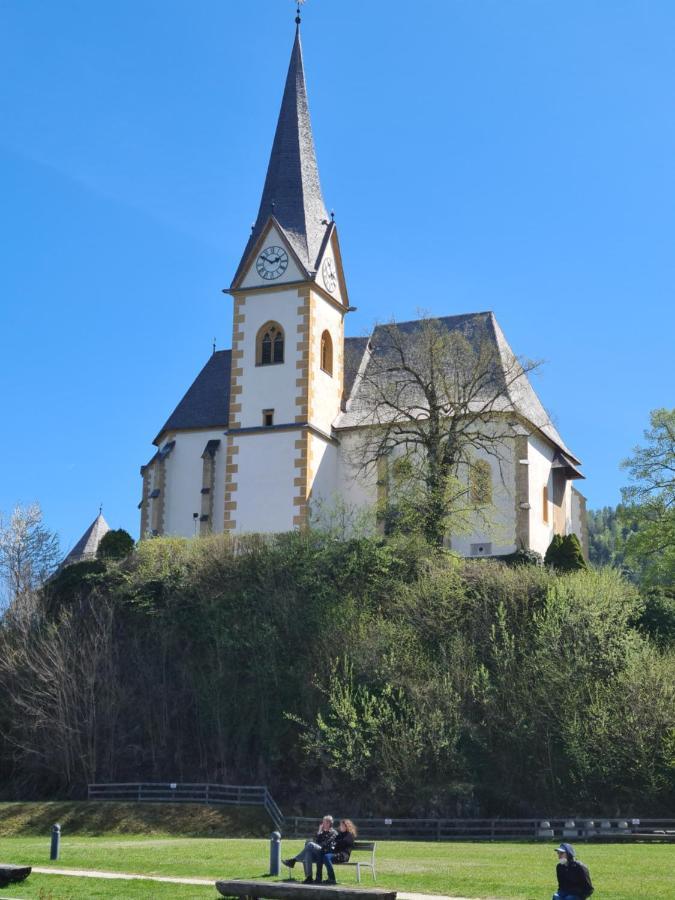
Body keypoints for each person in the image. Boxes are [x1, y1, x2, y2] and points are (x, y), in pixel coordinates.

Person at [283, 815, 337, 884]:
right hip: (319, 852)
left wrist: (316, 844)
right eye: (323, 822)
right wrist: (319, 831)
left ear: (329, 823)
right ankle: (309, 878)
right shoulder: (322, 832)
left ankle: (294, 860)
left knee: (310, 845)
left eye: (325, 822)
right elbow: (316, 841)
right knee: (308, 852)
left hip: (326, 852)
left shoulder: (333, 833)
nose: (323, 824)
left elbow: (325, 844)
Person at [316, 818, 357, 885]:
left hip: (343, 855)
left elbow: (344, 842)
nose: (341, 827)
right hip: (336, 854)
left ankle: (332, 879)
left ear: (347, 826)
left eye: (343, 826)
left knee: (326, 857)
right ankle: (318, 878)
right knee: (321, 853)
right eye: (341, 825)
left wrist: (336, 842)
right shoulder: (340, 834)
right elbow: (334, 842)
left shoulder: (350, 835)